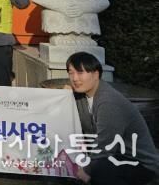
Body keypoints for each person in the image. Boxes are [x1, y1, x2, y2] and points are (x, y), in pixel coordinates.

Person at [66, 52, 159, 185]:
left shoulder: (109, 102)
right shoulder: (82, 94)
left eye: (80, 72)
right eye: (71, 73)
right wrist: (66, 94)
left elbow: (104, 146)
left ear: (96, 74)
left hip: (139, 163)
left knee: (99, 169)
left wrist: (86, 171)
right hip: (114, 155)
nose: (75, 78)